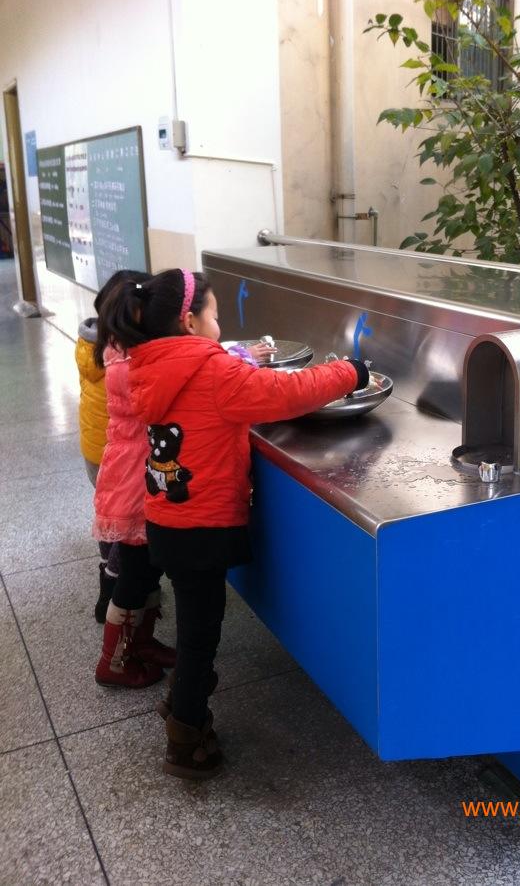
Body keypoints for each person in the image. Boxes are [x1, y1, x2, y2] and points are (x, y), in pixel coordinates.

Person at [96, 268, 369, 779]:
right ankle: (186, 734)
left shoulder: (147, 364)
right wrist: (350, 373)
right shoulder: (212, 371)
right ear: (190, 320)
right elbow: (283, 394)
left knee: (195, 622)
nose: (220, 327)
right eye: (216, 316)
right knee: (201, 636)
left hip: (164, 519)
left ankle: (182, 700)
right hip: (204, 527)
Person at [92, 274, 178, 689]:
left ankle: (140, 642)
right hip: (133, 483)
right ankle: (113, 661)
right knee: (134, 576)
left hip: (136, 476)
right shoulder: (130, 366)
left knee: (145, 572)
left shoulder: (120, 352)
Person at [75, 270, 149, 622]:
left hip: (97, 451)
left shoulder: (95, 344)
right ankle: (114, 594)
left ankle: (109, 578)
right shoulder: (125, 358)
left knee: (111, 522)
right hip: (120, 456)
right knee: (126, 536)